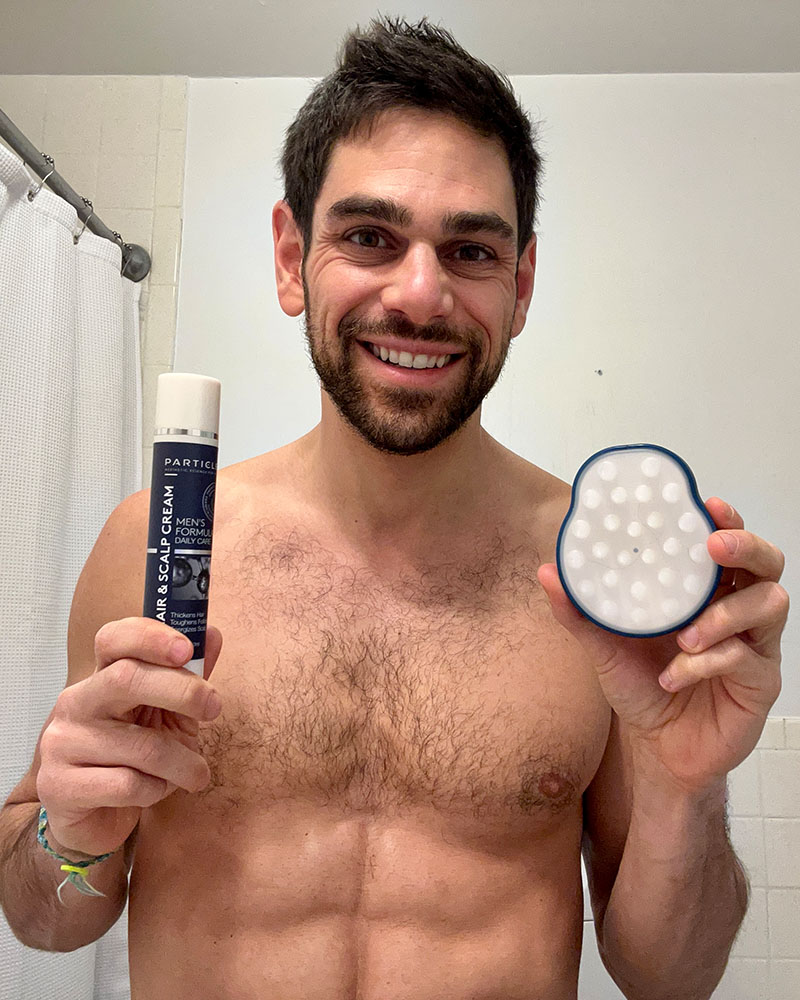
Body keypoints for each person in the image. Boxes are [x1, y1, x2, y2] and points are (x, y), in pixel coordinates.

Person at [0, 16, 789, 1000]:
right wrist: (65, 835)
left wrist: (683, 785)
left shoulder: (596, 600)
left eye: (469, 250)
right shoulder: (154, 549)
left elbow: (667, 978)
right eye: (369, 237)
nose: (419, 294)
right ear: (291, 257)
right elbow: (44, 915)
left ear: (521, 283)